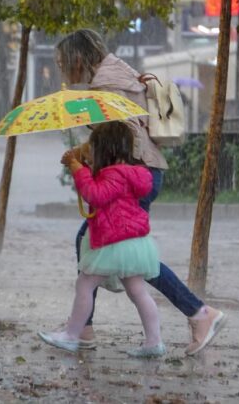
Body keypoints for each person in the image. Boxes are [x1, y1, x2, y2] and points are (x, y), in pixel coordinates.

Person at [55, 29, 226, 356]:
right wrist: (85, 151)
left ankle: (199, 313)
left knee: (134, 256)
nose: (63, 69)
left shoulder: (106, 85)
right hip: (144, 172)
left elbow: (124, 138)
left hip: (134, 176)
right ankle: (85, 328)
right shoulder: (121, 74)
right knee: (122, 252)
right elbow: (126, 133)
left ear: (79, 58)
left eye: (65, 62)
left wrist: (81, 157)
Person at [39, 122, 165, 357]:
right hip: (135, 241)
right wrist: (82, 163)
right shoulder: (130, 172)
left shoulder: (114, 174)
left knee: (85, 284)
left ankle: (72, 335)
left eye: (93, 148)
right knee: (138, 290)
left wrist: (77, 168)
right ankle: (154, 341)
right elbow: (104, 187)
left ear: (105, 150)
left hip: (114, 242)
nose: (90, 152)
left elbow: (95, 194)